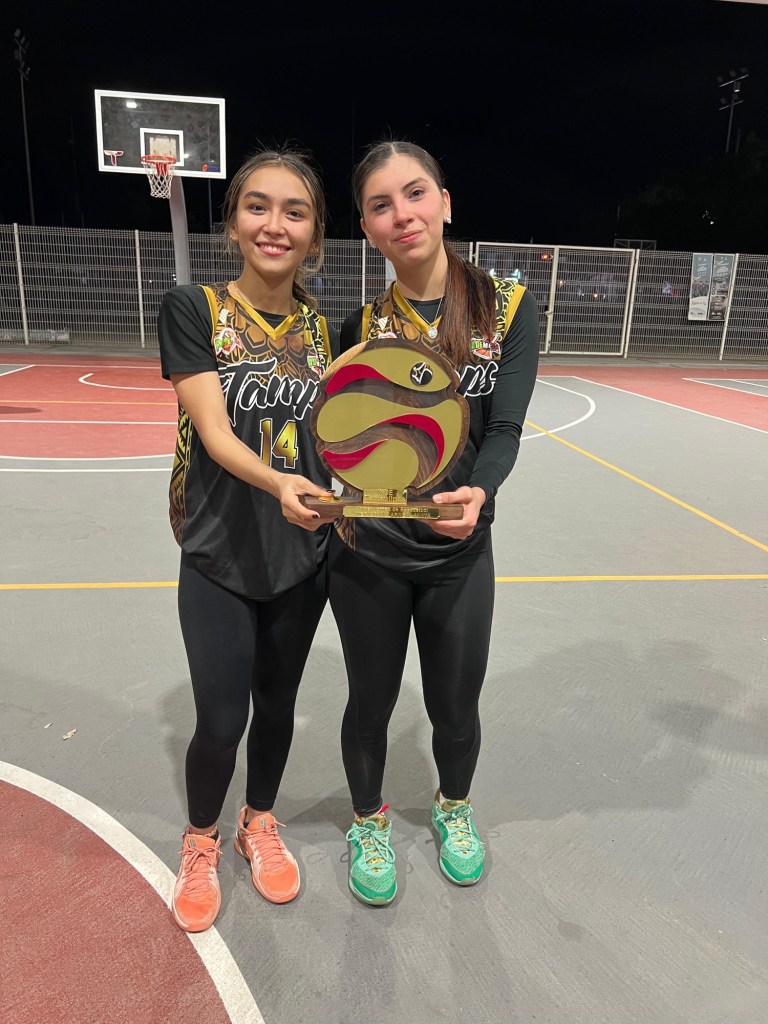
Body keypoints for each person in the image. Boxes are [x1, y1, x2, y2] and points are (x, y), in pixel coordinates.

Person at [329, 140, 539, 906]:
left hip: (459, 549)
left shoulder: (505, 307)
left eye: (415, 194)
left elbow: (504, 430)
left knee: (454, 707)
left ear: (445, 202)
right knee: (371, 702)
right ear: (367, 228)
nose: (403, 214)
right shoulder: (358, 323)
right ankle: (367, 821)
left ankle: (453, 807)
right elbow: (345, 440)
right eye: (381, 205)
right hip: (371, 550)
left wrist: (478, 492)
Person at [157, 147, 338, 932]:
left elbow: (339, 435)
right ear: (232, 223)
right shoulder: (194, 308)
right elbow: (215, 431)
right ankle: (200, 839)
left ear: (315, 236)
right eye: (258, 206)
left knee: (278, 707)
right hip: (219, 551)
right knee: (221, 719)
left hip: (301, 557)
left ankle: (257, 822)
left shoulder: (324, 331)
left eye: (295, 212)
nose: (275, 224)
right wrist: (279, 484)